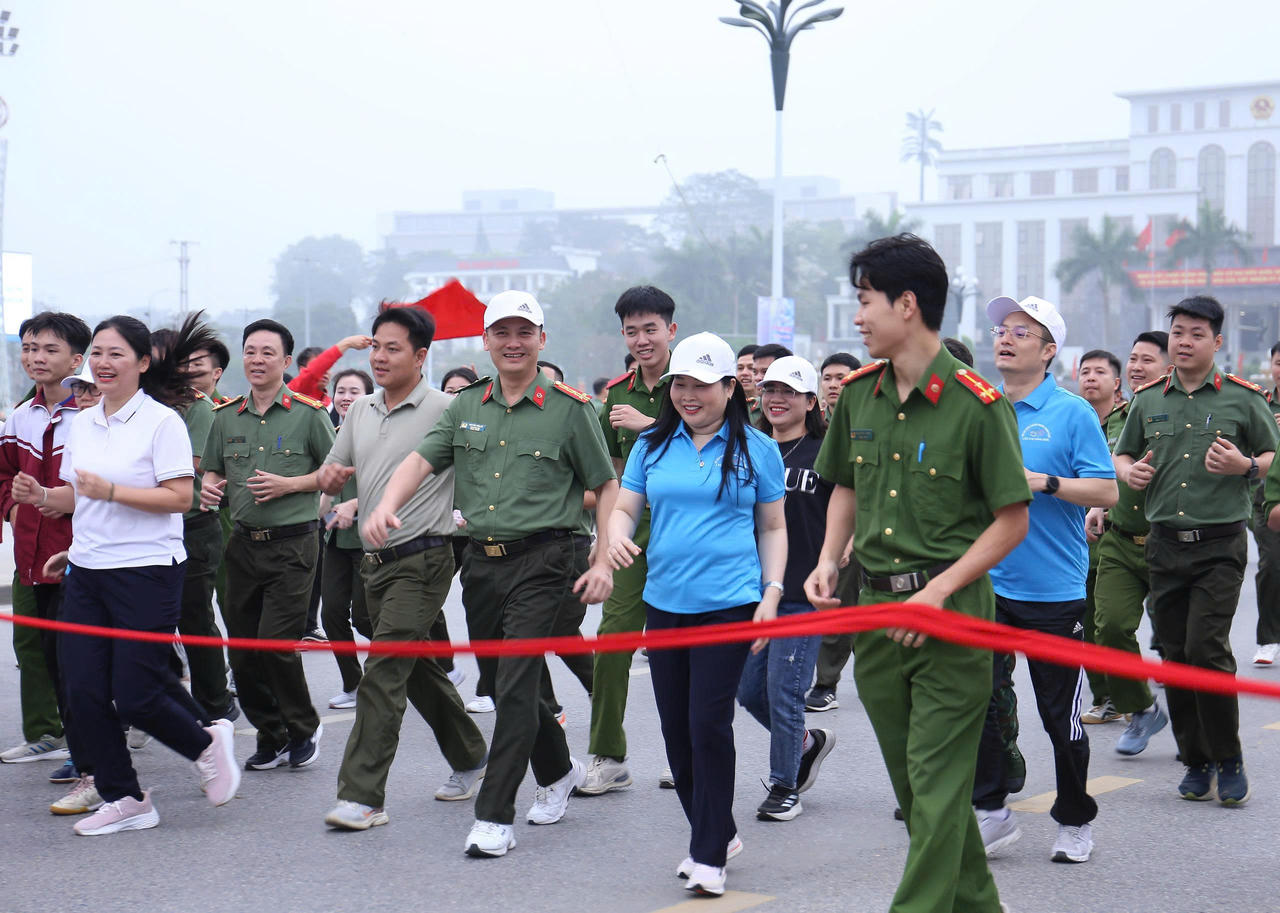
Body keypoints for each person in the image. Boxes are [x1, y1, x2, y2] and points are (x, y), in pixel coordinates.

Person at [805, 234, 1030, 913]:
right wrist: (826, 557)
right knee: (918, 791)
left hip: (950, 620)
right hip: (876, 618)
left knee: (934, 790)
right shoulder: (861, 394)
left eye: (865, 301)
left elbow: (1010, 519)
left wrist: (937, 589)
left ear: (907, 305)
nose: (858, 316)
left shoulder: (976, 404)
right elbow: (843, 483)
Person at [363, 290, 618, 858]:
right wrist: (387, 503)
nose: (513, 343)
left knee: (514, 682)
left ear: (541, 340)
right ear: (486, 341)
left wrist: (602, 557)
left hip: (549, 561)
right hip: (481, 564)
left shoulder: (572, 409)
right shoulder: (465, 406)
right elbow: (421, 461)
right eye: (501, 332)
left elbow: (605, 486)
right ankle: (555, 771)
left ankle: (494, 815)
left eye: (524, 332)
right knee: (509, 691)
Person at [14, 314, 240, 835]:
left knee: (136, 693)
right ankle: (126, 796)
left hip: (146, 572)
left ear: (141, 363)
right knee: (84, 693)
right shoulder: (84, 422)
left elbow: (180, 497)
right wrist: (46, 500)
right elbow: (78, 493)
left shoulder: (162, 423)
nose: (103, 363)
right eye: (97, 353)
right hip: (87, 572)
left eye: (116, 354)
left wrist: (111, 492)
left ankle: (204, 743)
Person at [607, 331, 785, 897]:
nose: (688, 395)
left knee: (709, 722)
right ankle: (718, 827)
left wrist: (772, 592)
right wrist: (614, 539)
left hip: (730, 605)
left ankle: (707, 853)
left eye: (702, 385)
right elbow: (625, 506)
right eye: (680, 384)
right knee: (676, 729)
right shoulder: (653, 444)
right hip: (665, 605)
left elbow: (773, 526)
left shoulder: (757, 448)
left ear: (730, 388)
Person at [317, 307, 489, 831]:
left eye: (393, 348)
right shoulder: (360, 410)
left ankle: (363, 796)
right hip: (372, 562)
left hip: (426, 556)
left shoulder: (448, 409)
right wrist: (334, 493)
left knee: (384, 670)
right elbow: (337, 470)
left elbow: (480, 475)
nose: (380, 357)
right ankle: (470, 754)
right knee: (409, 662)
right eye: (376, 347)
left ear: (420, 356)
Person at [972, 296, 1116, 865]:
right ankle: (992, 810)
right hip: (989, 588)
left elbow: (1106, 491)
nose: (1005, 339)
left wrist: (1044, 482)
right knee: (976, 699)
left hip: (1055, 595)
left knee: (1061, 717)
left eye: (1021, 332)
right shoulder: (983, 408)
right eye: (1002, 330)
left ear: (1049, 350)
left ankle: (1075, 818)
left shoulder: (1071, 412)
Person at [1123, 295, 1277, 806]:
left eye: (1195, 333)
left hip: (1219, 546)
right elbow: (1122, 454)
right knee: (1175, 655)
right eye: (1178, 333)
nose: (1184, 342)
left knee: (1207, 652)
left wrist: (1246, 468)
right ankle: (1196, 760)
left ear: (1217, 341)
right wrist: (1129, 472)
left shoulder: (1242, 397)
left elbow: (1271, 454)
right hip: (1164, 545)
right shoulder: (1147, 400)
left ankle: (1229, 759)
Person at [199, 318, 335, 772]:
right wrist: (210, 487)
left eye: (267, 353)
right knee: (241, 648)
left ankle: (302, 727)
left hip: (294, 545)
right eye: (250, 351)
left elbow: (337, 472)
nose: (257, 360)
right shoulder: (225, 416)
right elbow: (213, 469)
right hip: (242, 545)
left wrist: (290, 484)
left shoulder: (308, 413)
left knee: (275, 643)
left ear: (286, 361)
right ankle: (270, 732)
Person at [580, 285, 677, 797]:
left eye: (651, 329)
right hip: (633, 539)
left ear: (671, 331)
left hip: (691, 539)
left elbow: (717, 442)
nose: (642, 339)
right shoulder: (615, 394)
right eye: (632, 331)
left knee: (680, 650)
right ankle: (608, 754)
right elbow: (602, 471)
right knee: (612, 642)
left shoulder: (697, 382)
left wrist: (651, 427)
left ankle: (686, 752)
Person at [738, 355, 836, 822]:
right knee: (748, 692)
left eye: (789, 393)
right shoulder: (751, 448)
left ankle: (784, 786)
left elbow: (851, 509)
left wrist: (838, 558)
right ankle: (804, 743)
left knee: (784, 691)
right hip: (752, 593)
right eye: (770, 391)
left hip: (804, 592)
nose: (776, 399)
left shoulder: (826, 451)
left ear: (810, 401)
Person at [0, 313, 90, 768]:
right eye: (29, 347)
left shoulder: (94, 416)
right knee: (32, 648)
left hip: (78, 556)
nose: (36, 357)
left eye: (49, 349)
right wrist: (14, 509)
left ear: (77, 359)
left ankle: (91, 746)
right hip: (28, 554)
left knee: (78, 656)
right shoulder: (19, 417)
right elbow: (2, 475)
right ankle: (44, 733)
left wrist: (65, 506)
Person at [1087, 331, 1173, 756]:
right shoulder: (1119, 418)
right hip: (1120, 539)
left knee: (1180, 640)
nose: (1137, 366)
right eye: (1133, 358)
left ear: (1170, 367)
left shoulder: (1180, 414)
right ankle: (1141, 709)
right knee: (1111, 627)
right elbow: (1105, 470)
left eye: (1147, 360)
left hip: (1171, 541)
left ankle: (1197, 724)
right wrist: (1100, 504)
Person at [319, 369, 375, 710]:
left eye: (354, 391)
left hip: (371, 539)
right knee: (332, 615)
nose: (346, 397)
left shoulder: (377, 436)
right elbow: (323, 495)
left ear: (369, 397)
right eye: (341, 390)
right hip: (336, 542)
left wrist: (355, 506)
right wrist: (326, 514)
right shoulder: (332, 435)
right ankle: (353, 683)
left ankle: (416, 656)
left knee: (367, 618)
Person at [1076, 349, 1125, 724]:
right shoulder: (1072, 419)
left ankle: (1133, 694)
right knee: (1091, 623)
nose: (1090, 378)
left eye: (1099, 372)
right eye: (1085, 372)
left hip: (1126, 541)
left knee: (1117, 626)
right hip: (1081, 544)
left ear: (1117, 381)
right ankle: (1107, 697)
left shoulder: (1130, 422)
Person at [1251, 341, 1280, 665]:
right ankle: (1268, 638)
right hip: (1267, 499)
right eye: (1279, 362)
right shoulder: (1260, 404)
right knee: (1272, 565)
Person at [288, 334, 374, 407]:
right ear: (302, 370)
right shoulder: (292, 393)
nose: (325, 371)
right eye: (322, 367)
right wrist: (347, 343)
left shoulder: (333, 405)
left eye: (328, 368)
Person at [750, 344, 793, 424]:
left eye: (765, 372)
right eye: (755, 372)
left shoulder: (797, 409)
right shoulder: (744, 410)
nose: (757, 378)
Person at [818, 353, 860, 419]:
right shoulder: (813, 423)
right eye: (827, 379)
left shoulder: (868, 420)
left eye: (840, 378)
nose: (832, 385)